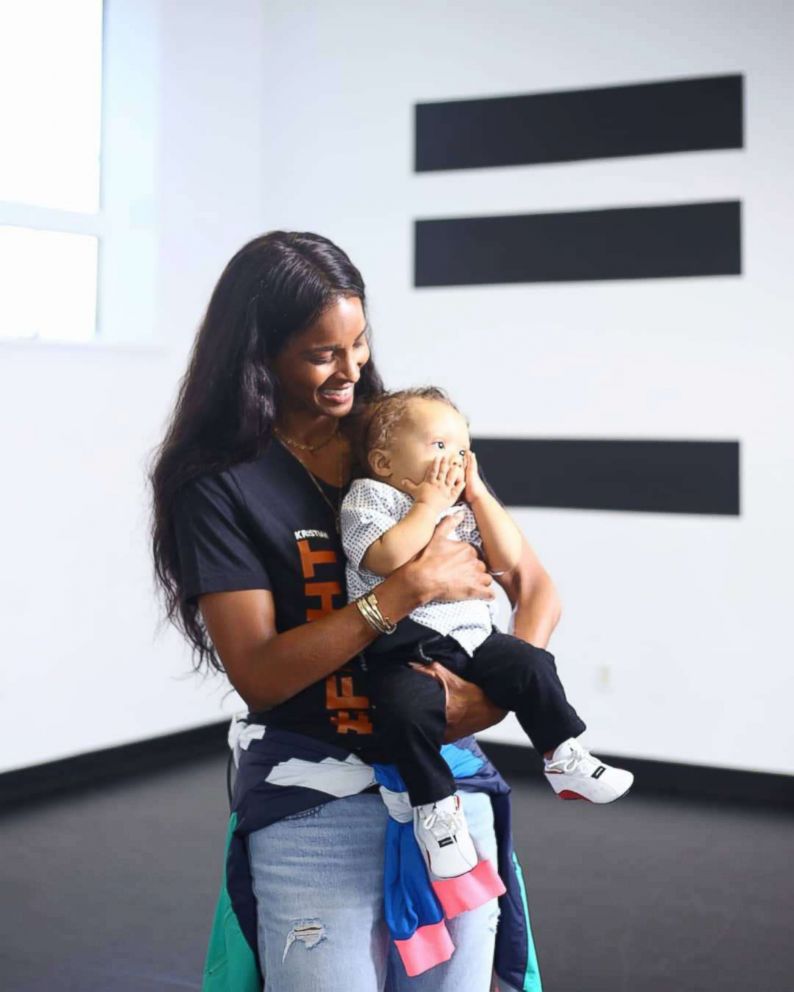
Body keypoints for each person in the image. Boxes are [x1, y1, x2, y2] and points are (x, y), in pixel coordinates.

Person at [149, 230, 558, 991]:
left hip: (447, 785)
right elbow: (263, 677)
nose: (351, 370)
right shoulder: (222, 485)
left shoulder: (402, 442)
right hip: (315, 808)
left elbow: (534, 586)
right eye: (321, 353)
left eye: (359, 344)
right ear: (257, 353)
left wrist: (494, 696)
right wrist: (400, 591)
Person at [340, 387, 634, 879]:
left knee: (531, 663)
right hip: (404, 646)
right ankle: (433, 807)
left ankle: (562, 753)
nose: (452, 460)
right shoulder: (372, 496)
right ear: (384, 462)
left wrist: (476, 495)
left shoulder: (463, 507)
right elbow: (386, 557)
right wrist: (428, 505)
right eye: (437, 446)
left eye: (461, 450)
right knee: (403, 710)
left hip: (474, 640)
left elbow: (507, 558)